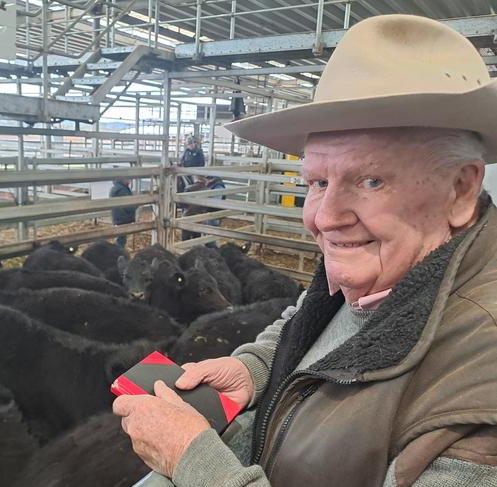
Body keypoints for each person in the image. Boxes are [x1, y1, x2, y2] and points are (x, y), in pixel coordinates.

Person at [113, 14, 497, 487]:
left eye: (371, 180)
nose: (325, 216)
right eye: (317, 182)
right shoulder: (390, 269)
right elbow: (312, 320)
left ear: (460, 188)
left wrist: (196, 463)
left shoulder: (481, 383)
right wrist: (253, 369)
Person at [179, 175, 226, 243]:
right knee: (197, 239)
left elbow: (181, 204)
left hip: (187, 218)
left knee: (185, 239)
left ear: (196, 179)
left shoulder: (189, 188)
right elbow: (210, 206)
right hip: (200, 219)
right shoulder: (208, 191)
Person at [109, 177, 136, 247]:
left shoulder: (116, 188)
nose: (130, 181)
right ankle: (118, 254)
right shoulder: (122, 190)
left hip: (118, 218)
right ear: (123, 179)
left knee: (120, 238)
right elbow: (128, 205)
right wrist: (136, 205)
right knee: (121, 240)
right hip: (123, 218)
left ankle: (118, 253)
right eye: (128, 179)